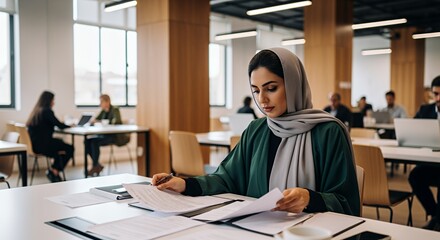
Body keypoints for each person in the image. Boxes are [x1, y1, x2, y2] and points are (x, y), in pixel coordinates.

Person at [152, 48, 360, 216]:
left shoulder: (328, 132)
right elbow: (227, 177)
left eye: (271, 88)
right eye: (256, 90)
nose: (262, 100)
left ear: (293, 85)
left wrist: (309, 198)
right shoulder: (256, 130)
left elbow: (345, 201)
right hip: (255, 230)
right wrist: (185, 184)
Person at [409, 76, 440, 231]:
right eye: (436, 94)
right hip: (430, 161)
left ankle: (437, 220)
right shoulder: (425, 110)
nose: (438, 98)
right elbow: (412, 131)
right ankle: (435, 215)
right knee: (415, 176)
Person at [26, 91, 74, 183]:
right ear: (48, 101)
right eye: (53, 100)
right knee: (70, 148)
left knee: (59, 144)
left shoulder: (36, 111)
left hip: (34, 145)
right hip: (43, 146)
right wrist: (71, 125)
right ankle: (54, 171)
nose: (54, 102)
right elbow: (59, 125)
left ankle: (53, 170)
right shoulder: (47, 111)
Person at [85, 94, 129, 176]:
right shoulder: (103, 111)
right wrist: (94, 121)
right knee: (87, 141)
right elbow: (96, 119)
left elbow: (117, 121)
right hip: (105, 135)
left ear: (107, 101)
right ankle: (97, 165)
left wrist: (103, 122)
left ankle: (95, 166)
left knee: (94, 142)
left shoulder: (115, 109)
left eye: (101, 101)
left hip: (115, 136)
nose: (100, 104)